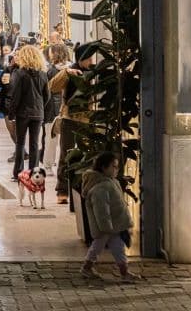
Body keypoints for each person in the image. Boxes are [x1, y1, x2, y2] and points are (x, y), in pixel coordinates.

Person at [80, 152, 139, 281]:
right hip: (106, 228)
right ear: (103, 167)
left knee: (117, 249)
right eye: (113, 166)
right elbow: (102, 211)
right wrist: (106, 227)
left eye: (116, 166)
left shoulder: (112, 182)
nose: (116, 169)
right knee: (98, 248)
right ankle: (87, 268)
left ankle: (124, 272)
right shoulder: (101, 188)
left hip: (114, 226)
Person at [50, 42, 96, 203]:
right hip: (70, 119)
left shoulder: (93, 73)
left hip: (88, 120)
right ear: (81, 59)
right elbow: (53, 86)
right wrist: (67, 73)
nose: (91, 62)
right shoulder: (70, 72)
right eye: (88, 58)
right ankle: (62, 190)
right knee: (66, 154)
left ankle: (83, 190)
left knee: (87, 155)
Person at [9, 44, 52, 181]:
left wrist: (11, 113)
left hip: (23, 113)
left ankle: (18, 172)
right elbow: (47, 95)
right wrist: (40, 107)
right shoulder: (43, 74)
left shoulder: (20, 74)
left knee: (20, 142)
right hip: (38, 113)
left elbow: (16, 96)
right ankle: (34, 172)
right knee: (34, 144)